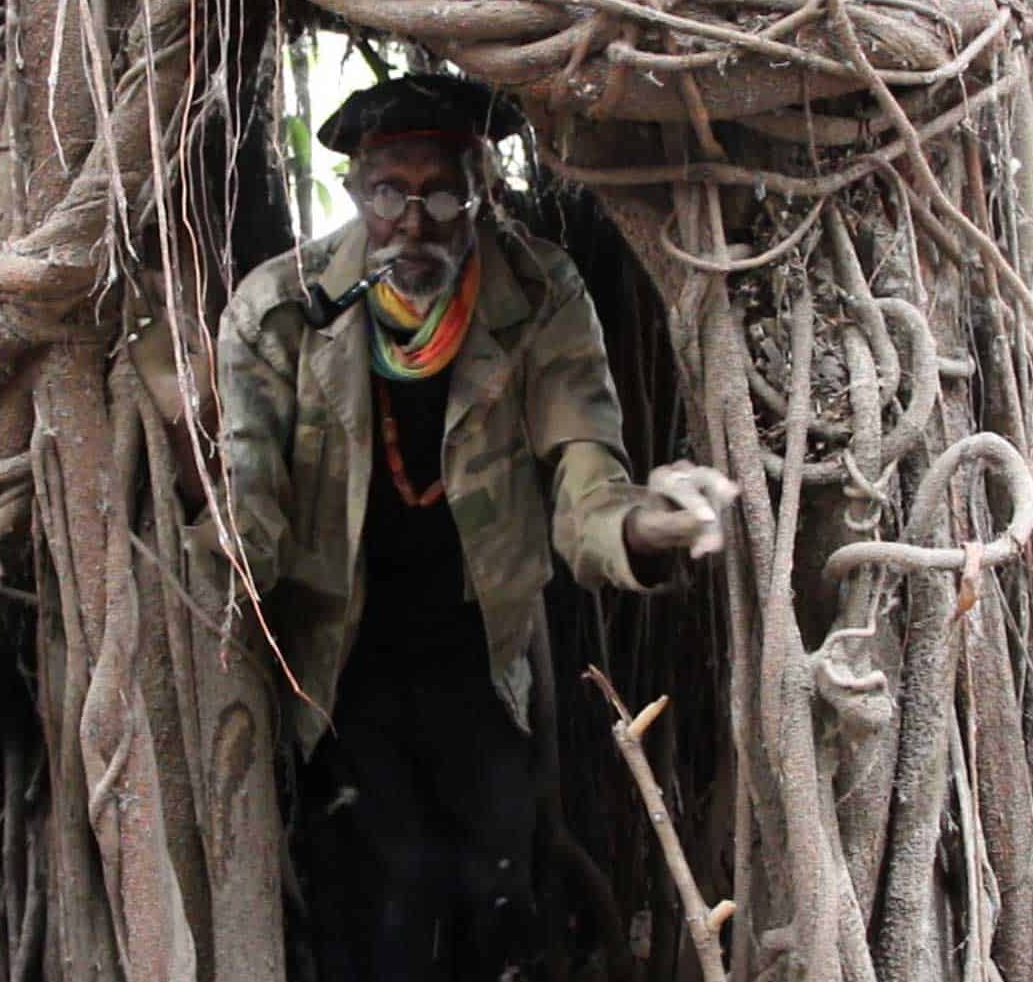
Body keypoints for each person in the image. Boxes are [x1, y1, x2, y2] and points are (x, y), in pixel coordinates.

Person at [139, 74, 736, 981]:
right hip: (340, 659)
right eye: (387, 192)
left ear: (482, 191)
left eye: (441, 192)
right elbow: (247, 532)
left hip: (480, 654)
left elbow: (585, 472)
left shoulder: (538, 292)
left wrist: (642, 532)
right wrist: (193, 463)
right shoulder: (279, 310)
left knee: (499, 896)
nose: (412, 222)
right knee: (377, 904)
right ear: (352, 192)